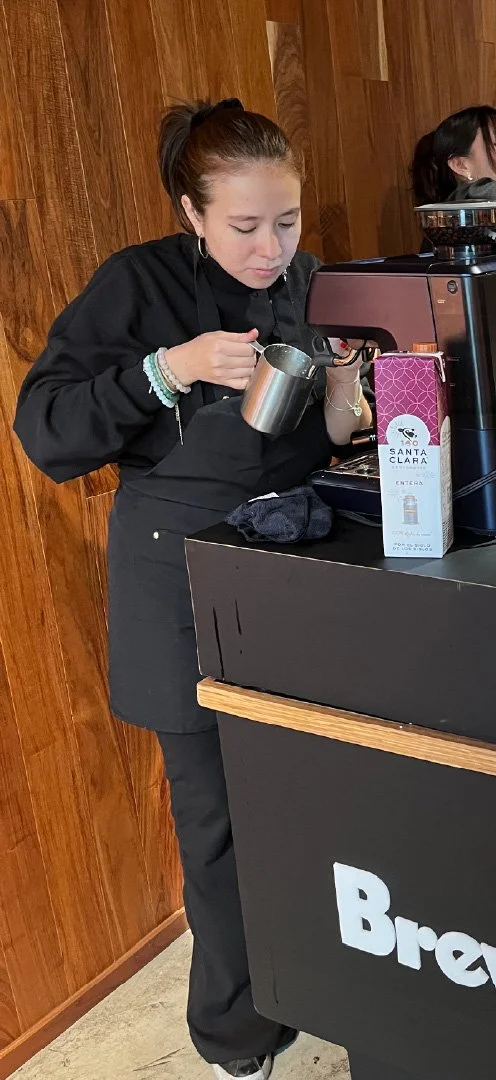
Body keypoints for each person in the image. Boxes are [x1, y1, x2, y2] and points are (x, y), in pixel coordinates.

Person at [14, 99, 371, 1080]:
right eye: (245, 227)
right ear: (193, 213)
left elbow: (318, 435)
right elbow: (44, 433)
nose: (271, 249)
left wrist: (344, 392)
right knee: (217, 831)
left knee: (315, 805)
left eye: (287, 223)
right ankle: (235, 1040)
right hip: (180, 575)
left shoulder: (304, 282)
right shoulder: (138, 286)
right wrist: (167, 370)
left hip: (291, 562)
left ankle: (321, 987)